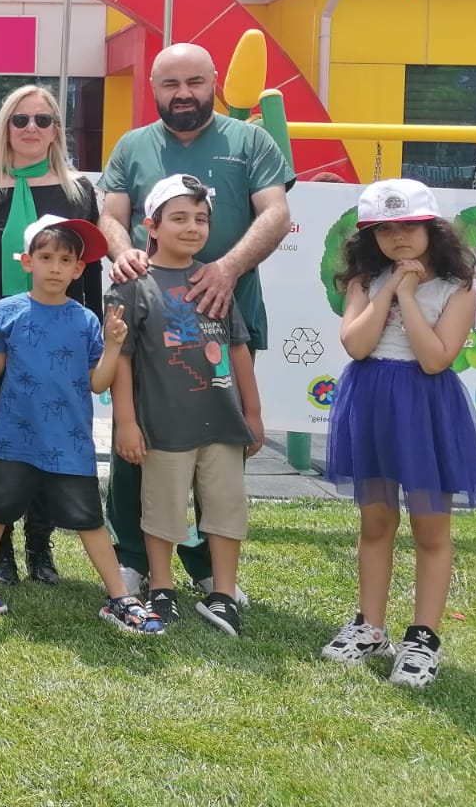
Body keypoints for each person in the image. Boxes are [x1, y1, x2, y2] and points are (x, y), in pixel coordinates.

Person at [97, 42, 290, 598]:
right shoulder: (133, 146)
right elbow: (112, 215)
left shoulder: (250, 140)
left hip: (222, 311)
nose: (183, 94)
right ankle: (133, 558)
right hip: (148, 312)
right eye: (170, 85)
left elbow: (276, 213)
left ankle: (210, 569)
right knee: (136, 441)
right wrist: (121, 254)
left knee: (219, 439)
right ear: (153, 89)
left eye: (195, 82)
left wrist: (227, 267)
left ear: (214, 83)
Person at [0, 215, 163, 634]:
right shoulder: (7, 310)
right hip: (13, 439)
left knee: (90, 519)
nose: (55, 267)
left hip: (70, 443)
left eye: (66, 260)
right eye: (45, 257)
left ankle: (119, 597)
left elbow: (97, 382)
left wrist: (115, 344)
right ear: (27, 261)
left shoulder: (86, 321)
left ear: (79, 269)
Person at [322, 179, 476, 688]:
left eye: (408, 226)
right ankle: (370, 627)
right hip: (370, 404)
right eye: (384, 229)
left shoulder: (459, 289)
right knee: (375, 520)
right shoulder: (362, 284)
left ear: (432, 229)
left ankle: (423, 638)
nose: (397, 238)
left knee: (431, 529)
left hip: (425, 408)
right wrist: (389, 286)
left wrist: (410, 296)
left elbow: (437, 359)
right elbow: (356, 344)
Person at [0, 83, 102, 589]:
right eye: (21, 120)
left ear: (57, 129)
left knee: (54, 440)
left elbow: (92, 277)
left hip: (60, 346)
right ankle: (1, 555)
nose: (31, 129)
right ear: (5, 128)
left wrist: (93, 342)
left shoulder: (78, 191)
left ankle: (40, 547)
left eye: (42, 120)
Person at [108, 175, 265, 638]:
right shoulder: (133, 284)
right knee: (162, 509)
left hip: (223, 423)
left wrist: (253, 414)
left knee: (225, 507)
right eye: (179, 218)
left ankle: (223, 593)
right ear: (151, 226)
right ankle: (161, 588)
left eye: (201, 218)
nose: (193, 227)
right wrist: (126, 423)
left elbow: (238, 350)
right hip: (164, 426)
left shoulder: (215, 279)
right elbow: (121, 360)